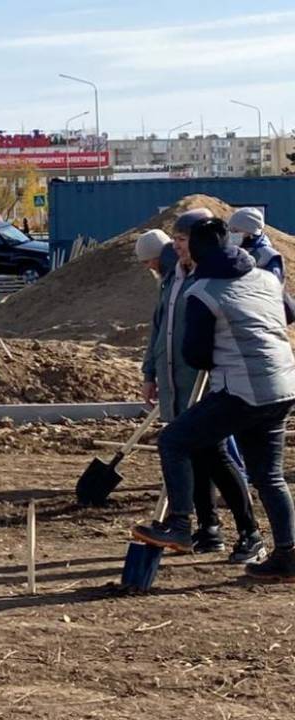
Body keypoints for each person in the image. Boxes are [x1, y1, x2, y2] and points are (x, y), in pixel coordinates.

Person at [133, 218, 295, 582]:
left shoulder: (203, 291)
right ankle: (287, 554)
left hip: (242, 389)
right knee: (268, 475)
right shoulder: (266, 279)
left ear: (200, 252)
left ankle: (178, 525)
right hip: (283, 386)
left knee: (173, 440)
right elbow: (290, 313)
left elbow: (198, 355)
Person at [228, 207, 284, 281]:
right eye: (230, 230)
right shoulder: (231, 249)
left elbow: (274, 287)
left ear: (250, 232)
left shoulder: (268, 257)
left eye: (236, 231)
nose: (231, 234)